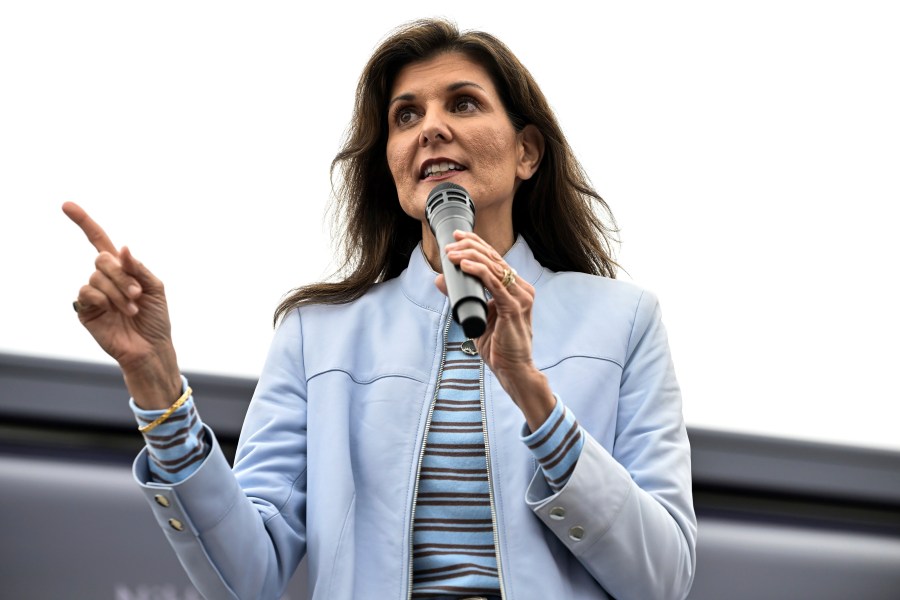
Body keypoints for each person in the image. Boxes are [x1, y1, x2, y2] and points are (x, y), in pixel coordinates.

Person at [65, 18, 696, 600]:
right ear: (394, 166)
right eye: (406, 115)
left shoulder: (624, 321)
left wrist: (533, 395)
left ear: (526, 151)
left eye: (464, 103)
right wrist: (154, 382)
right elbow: (246, 577)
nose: (431, 128)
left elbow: (663, 579)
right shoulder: (319, 336)